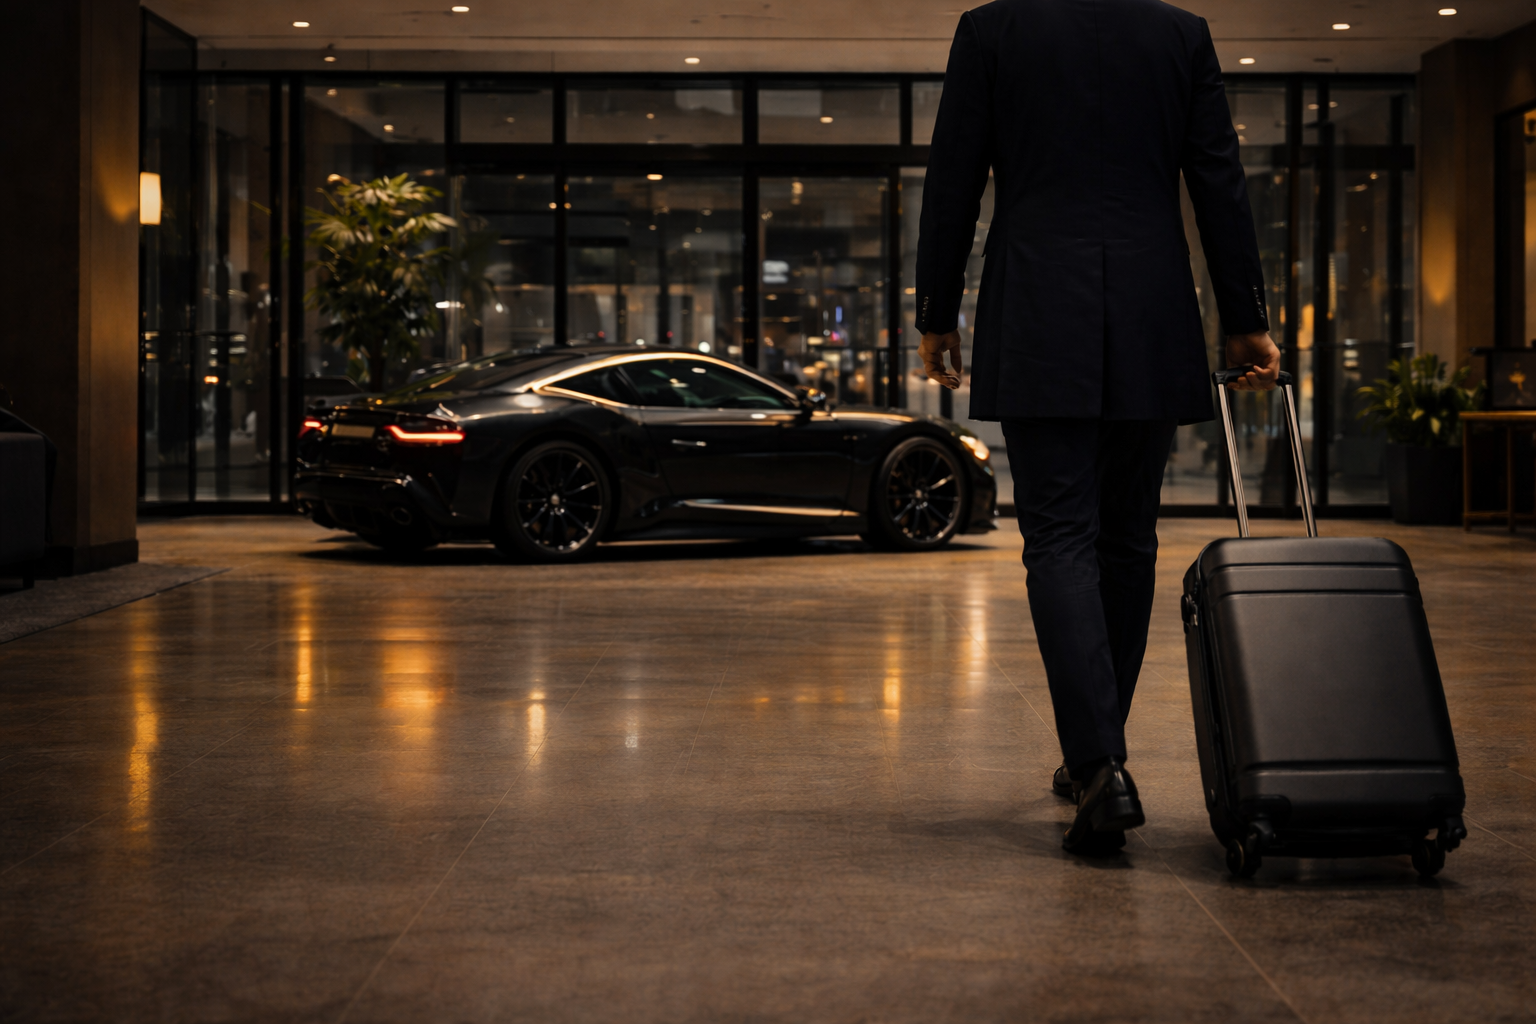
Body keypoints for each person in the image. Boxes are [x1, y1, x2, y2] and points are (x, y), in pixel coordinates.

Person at [914, 0, 1281, 855]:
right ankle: (1097, 755)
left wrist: (937, 312)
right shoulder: (1179, 33)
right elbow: (1217, 176)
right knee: (1127, 538)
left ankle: (1100, 764)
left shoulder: (992, 30)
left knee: (1059, 539)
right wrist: (1244, 315)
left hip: (1040, 303)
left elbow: (955, 174)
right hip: (1152, 304)